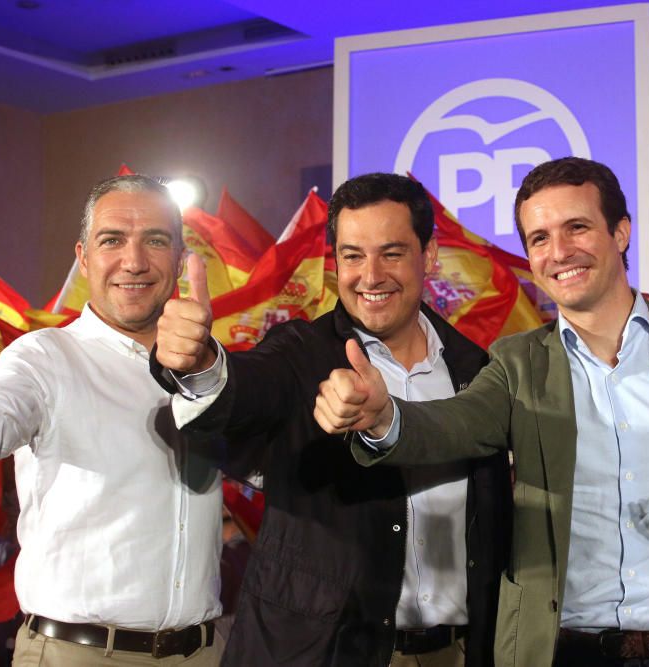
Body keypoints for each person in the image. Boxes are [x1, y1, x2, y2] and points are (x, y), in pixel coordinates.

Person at [315, 157, 649, 667]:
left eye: (576, 227)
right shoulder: (516, 363)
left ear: (621, 232)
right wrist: (384, 417)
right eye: (538, 238)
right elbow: (454, 424)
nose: (559, 253)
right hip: (564, 651)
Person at [152, 172, 511, 666]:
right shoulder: (302, 354)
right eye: (352, 255)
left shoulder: (475, 369)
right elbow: (247, 389)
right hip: (324, 654)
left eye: (392, 252)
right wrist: (202, 364)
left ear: (428, 256)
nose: (371, 275)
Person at [0, 175, 222, 665]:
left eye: (155, 240)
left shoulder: (216, 368)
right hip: (76, 653)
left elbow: (267, 468)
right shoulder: (44, 359)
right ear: (83, 256)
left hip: (202, 653)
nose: (134, 261)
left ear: (179, 256)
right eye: (112, 240)